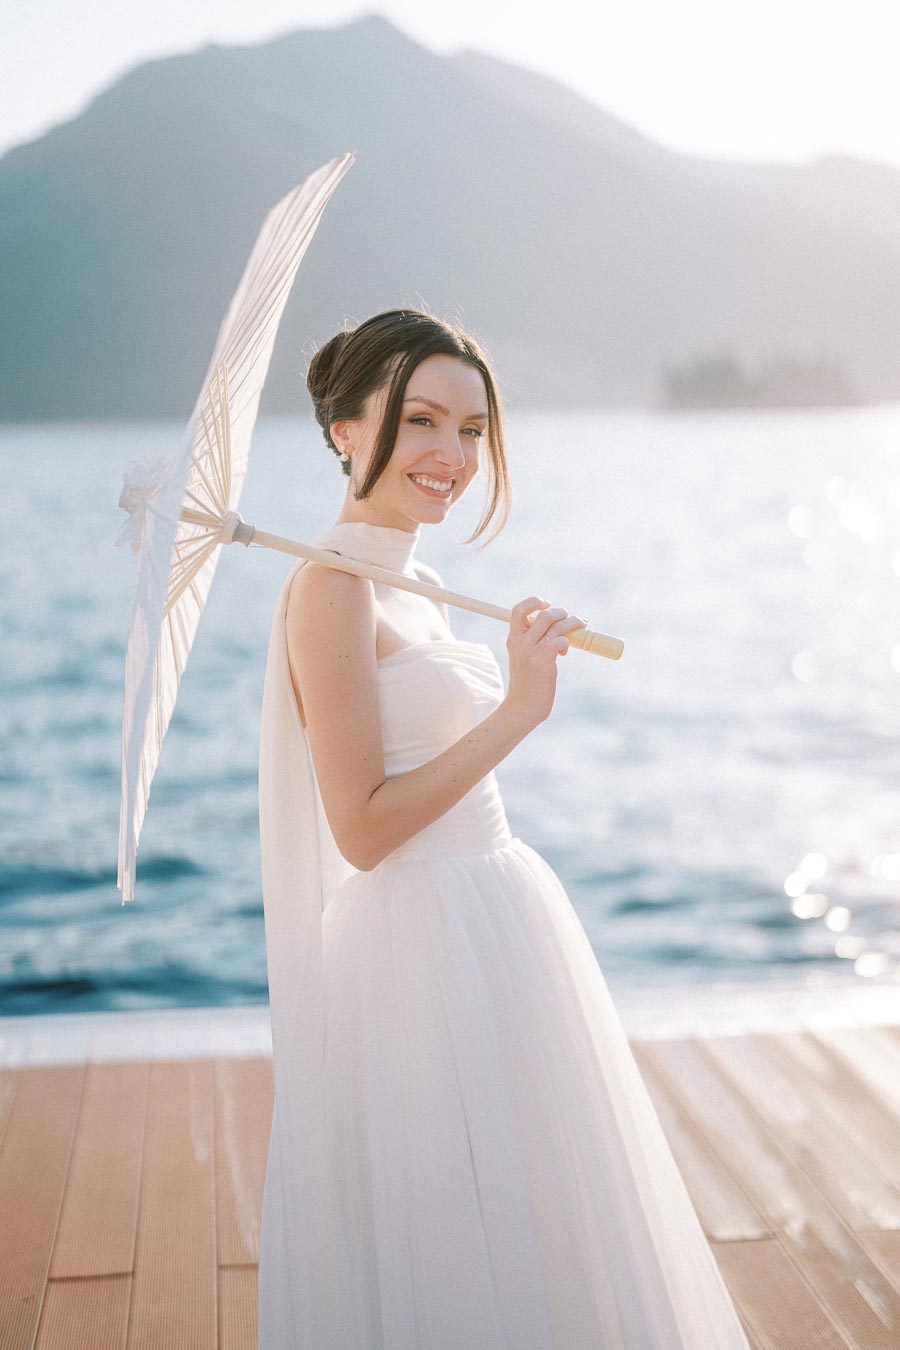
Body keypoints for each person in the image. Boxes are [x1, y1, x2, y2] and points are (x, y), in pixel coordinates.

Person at [256, 308, 751, 1349]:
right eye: (422, 421)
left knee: (537, 1221)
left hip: (499, 919)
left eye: (473, 431)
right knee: (449, 1236)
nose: (452, 455)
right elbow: (360, 827)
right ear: (346, 429)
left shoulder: (422, 580)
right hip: (415, 948)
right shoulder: (329, 590)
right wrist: (518, 711)